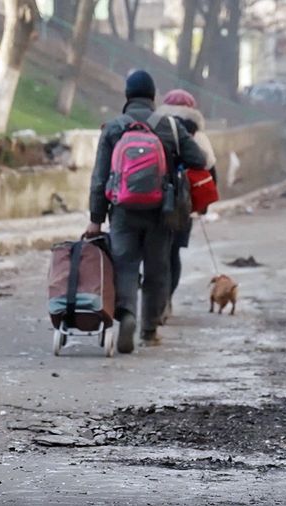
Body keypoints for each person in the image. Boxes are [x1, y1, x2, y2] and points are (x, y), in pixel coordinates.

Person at [86, 70, 205, 354]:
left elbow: (99, 178)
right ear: (153, 97)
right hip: (161, 210)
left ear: (127, 96)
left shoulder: (114, 128)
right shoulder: (169, 126)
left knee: (125, 265)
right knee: (157, 268)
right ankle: (149, 330)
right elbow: (199, 159)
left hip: (122, 211)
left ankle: (127, 314)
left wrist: (95, 220)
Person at [155, 89, 218, 322]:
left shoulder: (155, 127)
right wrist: (202, 206)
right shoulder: (197, 135)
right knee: (173, 254)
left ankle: (153, 301)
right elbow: (209, 169)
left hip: (155, 201)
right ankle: (167, 301)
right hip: (183, 205)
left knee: (155, 253)